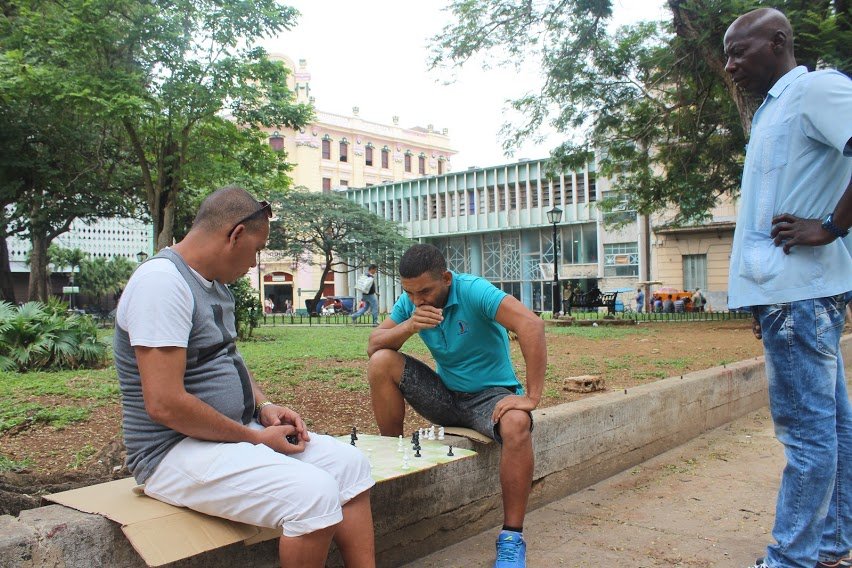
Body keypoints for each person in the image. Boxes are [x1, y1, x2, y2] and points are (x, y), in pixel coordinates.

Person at [114, 186, 376, 568]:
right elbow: (164, 403)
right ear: (235, 234)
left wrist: (264, 406)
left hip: (231, 434)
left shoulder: (215, 284)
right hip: (171, 451)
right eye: (256, 250)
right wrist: (255, 439)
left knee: (351, 466)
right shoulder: (161, 283)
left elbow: (227, 357)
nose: (255, 263)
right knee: (313, 493)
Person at [723, 8, 852, 568]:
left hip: (800, 296)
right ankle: (830, 544)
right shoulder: (772, 112)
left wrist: (831, 226)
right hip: (785, 297)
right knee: (833, 429)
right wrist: (756, 296)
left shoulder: (816, 90)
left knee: (806, 437)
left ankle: (792, 559)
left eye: (739, 53)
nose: (730, 66)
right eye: (726, 55)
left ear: (778, 43)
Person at [366, 244, 545, 568]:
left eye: (425, 291)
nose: (418, 299)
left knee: (518, 425)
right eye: (410, 293)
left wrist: (531, 397)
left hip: (491, 396)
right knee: (381, 361)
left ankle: (511, 538)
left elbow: (531, 325)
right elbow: (374, 344)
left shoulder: (473, 291)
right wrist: (409, 326)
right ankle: (393, 455)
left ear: (446, 278)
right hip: (446, 396)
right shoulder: (411, 303)